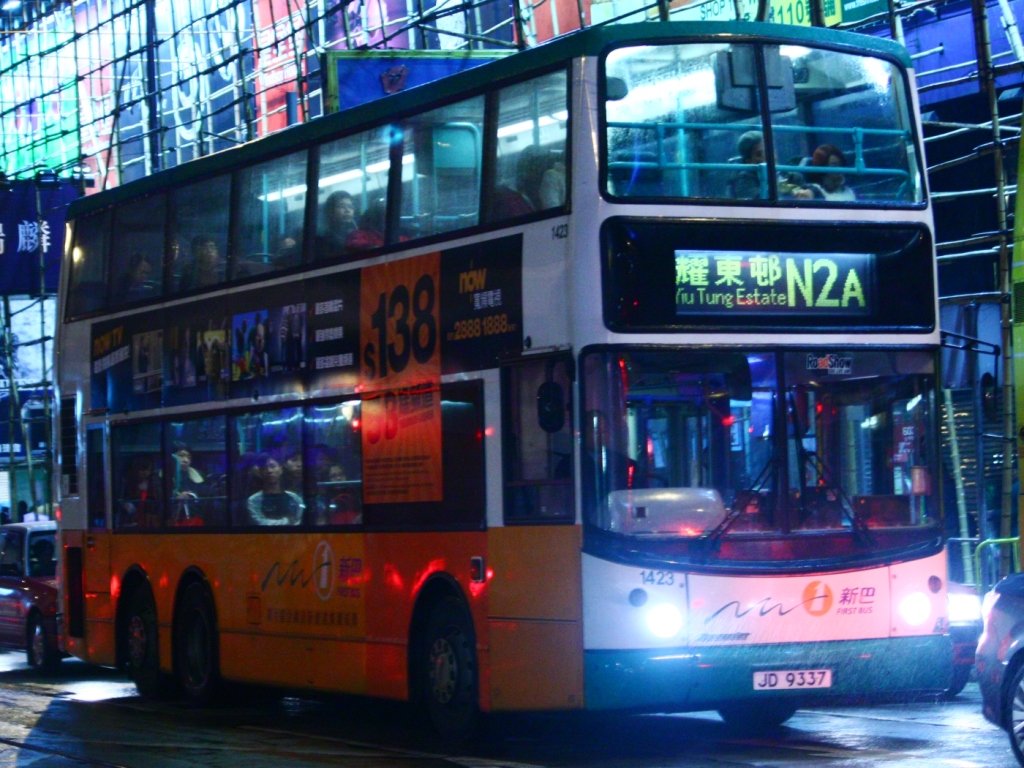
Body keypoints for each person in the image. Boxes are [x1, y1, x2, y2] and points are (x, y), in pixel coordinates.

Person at [730, 131, 813, 201]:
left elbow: (814, 189)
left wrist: (810, 192)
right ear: (749, 162)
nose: (769, 155)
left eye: (770, 149)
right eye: (759, 154)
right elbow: (758, 199)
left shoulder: (789, 175)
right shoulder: (744, 180)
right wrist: (790, 192)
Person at [247, 454, 305, 526]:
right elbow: (260, 523)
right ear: (260, 472)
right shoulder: (254, 500)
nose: (269, 471)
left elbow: (298, 520)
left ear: (281, 469)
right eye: (264, 468)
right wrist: (287, 521)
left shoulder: (294, 498)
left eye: (272, 466)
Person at [117, 457, 161, 528]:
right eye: (142, 470)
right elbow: (120, 499)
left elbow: (157, 502)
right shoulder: (127, 484)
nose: (145, 473)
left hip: (149, 520)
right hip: (131, 521)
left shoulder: (154, 483)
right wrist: (125, 504)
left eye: (148, 470)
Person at [316, 191, 358, 260]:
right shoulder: (322, 238)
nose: (347, 210)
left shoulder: (357, 233)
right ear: (330, 211)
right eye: (342, 206)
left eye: (350, 207)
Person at [170, 443, 205, 526]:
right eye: (181, 455)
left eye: (188, 457)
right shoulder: (159, 476)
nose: (186, 460)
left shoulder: (199, 476)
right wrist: (176, 499)